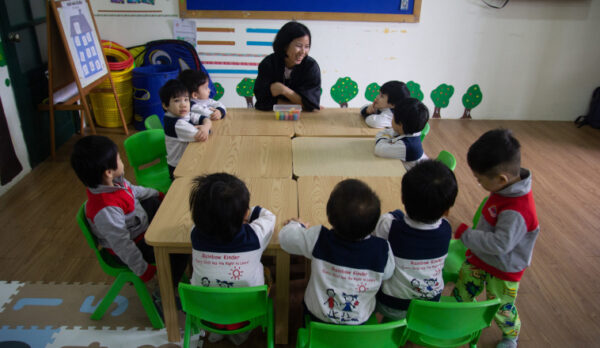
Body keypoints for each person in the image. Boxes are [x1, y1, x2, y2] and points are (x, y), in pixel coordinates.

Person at [452, 129, 539, 348]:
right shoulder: (505, 188)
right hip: (478, 257)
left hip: (503, 269)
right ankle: (459, 316)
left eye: (480, 180)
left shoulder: (517, 211)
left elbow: (500, 245)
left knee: (501, 306)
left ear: (501, 179)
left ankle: (510, 336)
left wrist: (463, 233)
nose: (478, 183)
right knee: (462, 291)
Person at [70, 135, 187, 290]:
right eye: (119, 159)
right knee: (178, 251)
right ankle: (165, 289)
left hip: (136, 223)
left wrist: (156, 193)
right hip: (134, 244)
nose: (121, 161)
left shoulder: (114, 182)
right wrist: (144, 270)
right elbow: (123, 246)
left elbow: (134, 191)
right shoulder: (106, 209)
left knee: (154, 201)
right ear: (108, 173)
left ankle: (171, 231)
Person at [279, 179, 395, 325]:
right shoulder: (382, 249)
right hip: (358, 322)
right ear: (374, 224)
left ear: (329, 217)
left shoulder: (319, 238)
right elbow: (389, 273)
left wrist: (296, 224)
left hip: (317, 318)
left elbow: (285, 239)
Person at [189, 173, 275, 345]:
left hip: (205, 310)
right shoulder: (254, 236)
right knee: (268, 273)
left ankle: (216, 331)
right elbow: (269, 217)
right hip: (248, 310)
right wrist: (248, 211)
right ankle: (240, 334)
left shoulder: (195, 235)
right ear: (244, 215)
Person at [373, 160, 458, 320]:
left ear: (403, 199)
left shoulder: (389, 225)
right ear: (447, 211)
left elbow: (376, 238)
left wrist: (396, 215)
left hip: (392, 305)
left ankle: (391, 324)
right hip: (429, 305)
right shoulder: (446, 229)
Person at [254, 21, 321, 111]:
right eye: (299, 46)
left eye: (307, 46)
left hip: (303, 119)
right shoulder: (269, 64)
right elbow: (262, 102)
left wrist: (284, 90)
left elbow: (311, 105)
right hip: (270, 117)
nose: (303, 51)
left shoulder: (311, 67)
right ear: (285, 45)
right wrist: (299, 103)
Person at [159, 79, 212, 179]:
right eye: (177, 100)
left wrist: (205, 126)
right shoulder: (176, 123)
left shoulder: (183, 115)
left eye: (186, 99)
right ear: (165, 105)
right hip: (178, 168)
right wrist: (206, 128)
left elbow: (205, 119)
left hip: (188, 159)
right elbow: (202, 135)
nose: (183, 104)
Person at [374, 97, 429, 170]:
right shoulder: (410, 130)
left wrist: (386, 138)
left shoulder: (406, 146)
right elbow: (383, 133)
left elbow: (379, 149)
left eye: (393, 117)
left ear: (400, 124)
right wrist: (386, 139)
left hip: (417, 177)